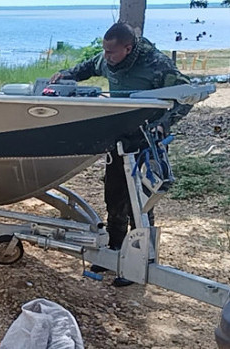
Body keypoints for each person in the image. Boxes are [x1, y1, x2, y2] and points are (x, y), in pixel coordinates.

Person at [50, 22, 190, 287]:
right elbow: (86, 69)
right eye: (104, 51)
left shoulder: (156, 63)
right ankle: (112, 252)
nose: (107, 57)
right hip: (120, 136)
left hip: (148, 139)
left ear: (128, 48)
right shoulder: (106, 59)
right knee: (114, 195)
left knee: (141, 201)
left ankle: (142, 262)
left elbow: (185, 95)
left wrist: (164, 124)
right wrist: (64, 75)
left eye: (112, 53)